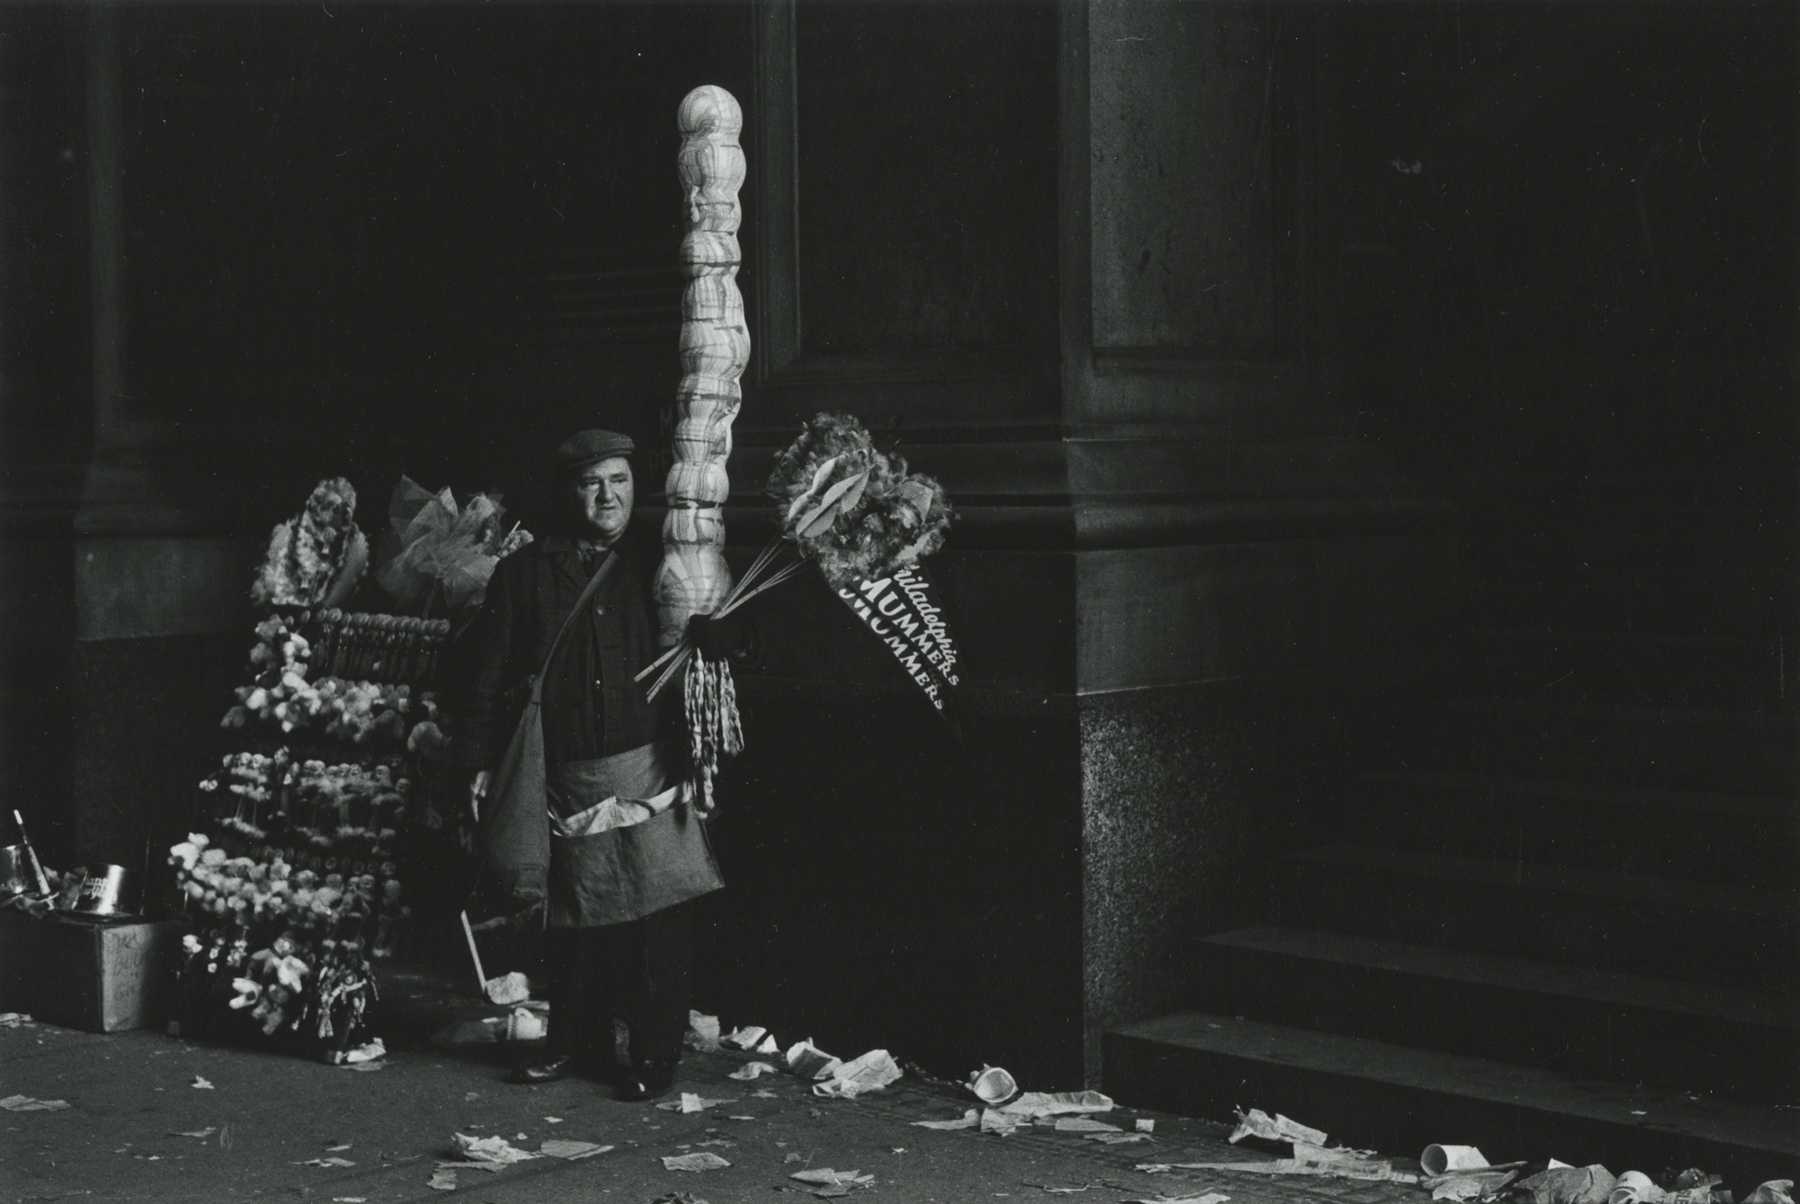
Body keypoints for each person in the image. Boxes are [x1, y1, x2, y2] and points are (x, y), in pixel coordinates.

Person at [452, 429, 748, 1101]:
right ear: (569, 492)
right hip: (566, 776)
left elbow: (737, 636)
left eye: (617, 479)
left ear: (634, 484)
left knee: (659, 927)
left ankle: (653, 1057)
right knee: (572, 922)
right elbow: (482, 681)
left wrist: (722, 636)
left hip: (650, 771)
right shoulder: (523, 574)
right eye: (591, 482)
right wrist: (474, 766)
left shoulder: (668, 564)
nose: (607, 495)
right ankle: (571, 1044)